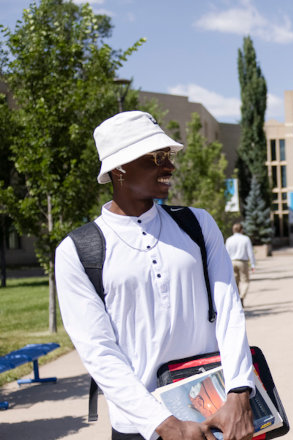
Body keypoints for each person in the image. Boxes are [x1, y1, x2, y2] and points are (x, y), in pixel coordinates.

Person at [55, 111, 255, 440]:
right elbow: (99, 350)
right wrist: (166, 424)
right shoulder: (78, 251)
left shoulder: (198, 224)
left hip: (219, 415)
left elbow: (229, 310)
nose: (170, 166)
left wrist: (239, 392)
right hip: (141, 427)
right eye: (156, 158)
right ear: (119, 167)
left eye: (168, 156)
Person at [225, 223, 255, 306]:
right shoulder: (245, 239)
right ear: (241, 230)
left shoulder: (229, 240)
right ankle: (242, 296)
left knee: (235, 282)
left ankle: (237, 298)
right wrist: (253, 264)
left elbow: (226, 253)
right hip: (242, 262)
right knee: (245, 281)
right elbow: (250, 252)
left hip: (232, 261)